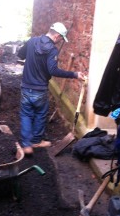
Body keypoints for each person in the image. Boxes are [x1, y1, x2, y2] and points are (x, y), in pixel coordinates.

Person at [18, 22, 86, 155]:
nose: (60, 41)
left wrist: (32, 57)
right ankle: (36, 141)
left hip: (26, 87)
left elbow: (21, 54)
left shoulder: (32, 41)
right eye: (61, 39)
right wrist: (74, 74)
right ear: (57, 36)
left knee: (26, 114)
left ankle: (26, 145)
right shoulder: (52, 50)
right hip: (40, 89)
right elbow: (53, 70)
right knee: (40, 113)